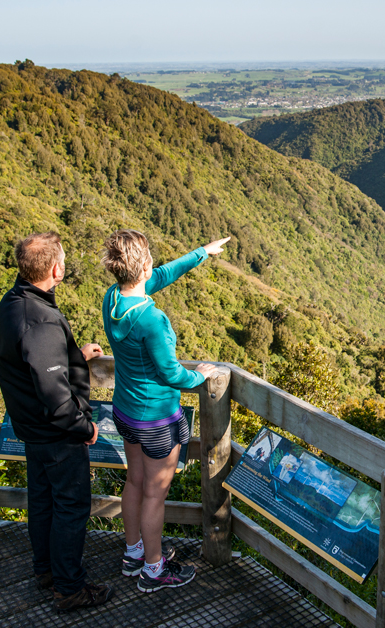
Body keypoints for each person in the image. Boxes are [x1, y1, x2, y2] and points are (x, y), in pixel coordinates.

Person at [100, 229, 229, 593]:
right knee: (155, 494)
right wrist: (198, 376)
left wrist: (200, 253)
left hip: (125, 411)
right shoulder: (151, 320)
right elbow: (170, 373)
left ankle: (134, 553)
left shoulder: (114, 298)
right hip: (156, 419)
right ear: (145, 265)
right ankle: (154, 570)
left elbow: (160, 277)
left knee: (135, 482)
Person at [0, 232, 112, 612]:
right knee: (71, 507)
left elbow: (35, 363)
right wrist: (85, 427)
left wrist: (74, 356)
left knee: (43, 502)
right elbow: (55, 395)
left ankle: (47, 570)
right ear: (57, 270)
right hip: (57, 433)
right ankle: (69, 588)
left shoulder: (13, 304)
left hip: (31, 429)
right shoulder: (40, 319)